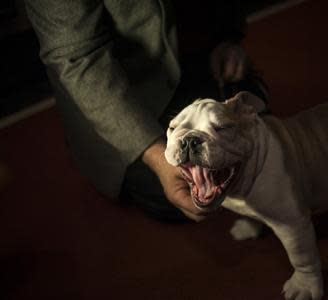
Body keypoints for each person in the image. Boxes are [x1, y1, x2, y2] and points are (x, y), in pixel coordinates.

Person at [24, 0, 267, 222]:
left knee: (261, 138)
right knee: (171, 195)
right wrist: (157, 157)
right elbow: (77, 59)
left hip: (198, 52)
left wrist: (227, 37)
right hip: (129, 90)